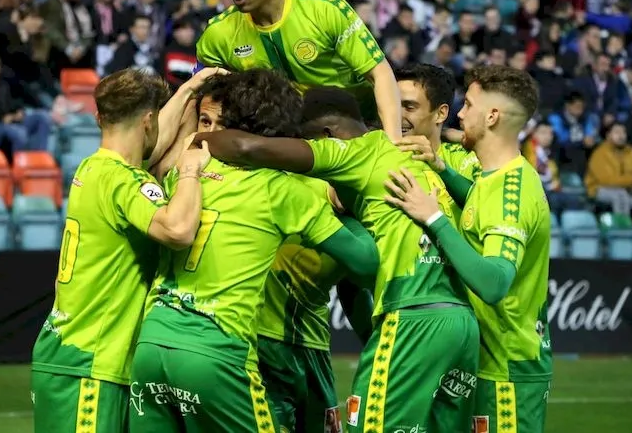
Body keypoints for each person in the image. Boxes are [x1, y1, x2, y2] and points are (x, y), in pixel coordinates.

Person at [193, 87, 480, 433]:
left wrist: (194, 142)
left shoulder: (351, 165)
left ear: (326, 137)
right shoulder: (414, 168)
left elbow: (357, 279)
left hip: (367, 326)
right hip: (458, 323)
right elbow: (357, 277)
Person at [128, 70, 380, 433]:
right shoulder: (284, 189)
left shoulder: (185, 171)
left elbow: (152, 160)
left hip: (152, 343)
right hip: (218, 349)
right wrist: (359, 213)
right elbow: (366, 262)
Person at [31, 67, 219, 433]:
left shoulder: (93, 167)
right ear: (148, 120)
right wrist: (191, 171)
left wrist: (189, 90)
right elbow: (178, 229)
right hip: (91, 361)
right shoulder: (123, 181)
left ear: (100, 117)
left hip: (67, 353)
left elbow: (149, 150)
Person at [386, 65, 553, 433]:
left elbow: (494, 283)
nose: (459, 115)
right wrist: (441, 168)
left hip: (507, 369)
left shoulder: (512, 192)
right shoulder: (496, 177)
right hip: (487, 361)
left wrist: (434, 218)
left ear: (492, 117)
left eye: (469, 105)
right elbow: (478, 204)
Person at [196, 0, 402, 141]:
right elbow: (195, 99)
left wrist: (393, 144)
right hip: (290, 140)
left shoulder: (325, 10)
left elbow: (380, 73)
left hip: (359, 127)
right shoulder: (218, 34)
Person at [393, 63, 482, 187]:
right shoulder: (376, 149)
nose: (396, 115)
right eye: (394, 105)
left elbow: (482, 196)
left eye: (409, 107)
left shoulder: (467, 160)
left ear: (440, 114)